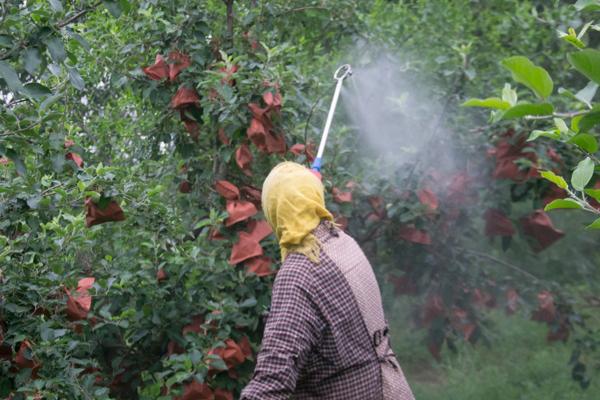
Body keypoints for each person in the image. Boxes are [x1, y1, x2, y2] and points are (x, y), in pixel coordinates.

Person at [240, 162, 414, 400]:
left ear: (274, 211)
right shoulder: (343, 242)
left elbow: (273, 380)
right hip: (390, 390)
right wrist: (304, 188)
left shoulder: (299, 274)